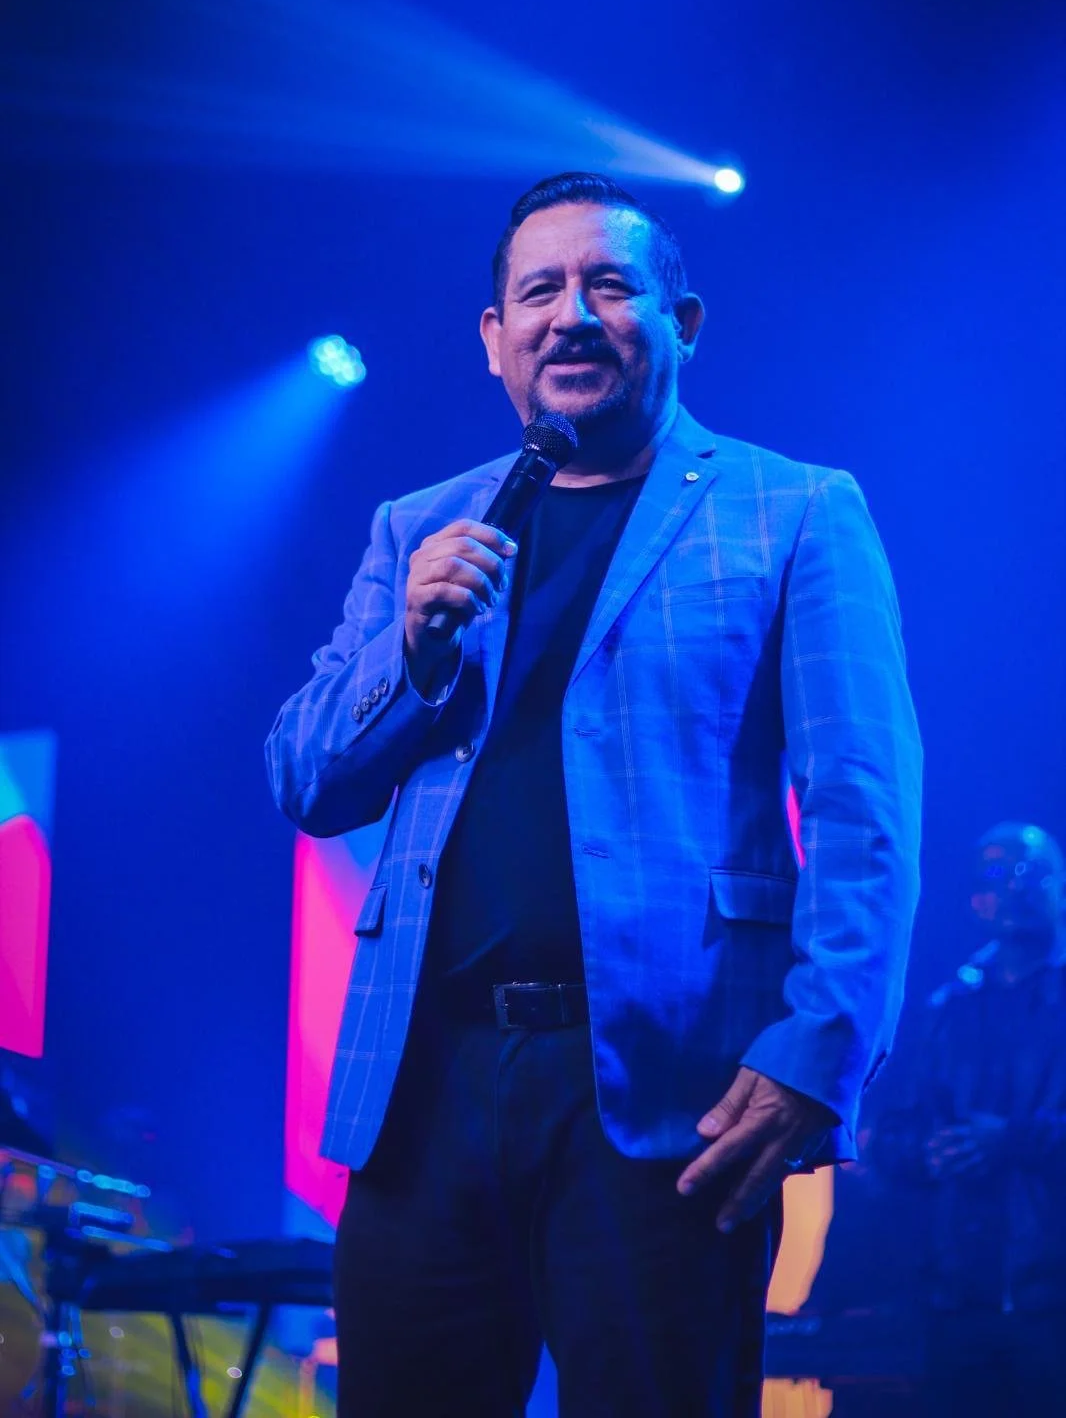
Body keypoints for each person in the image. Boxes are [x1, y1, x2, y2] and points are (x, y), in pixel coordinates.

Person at [266, 172, 922, 1417]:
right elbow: (303, 777)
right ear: (494, 339)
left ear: (678, 320)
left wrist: (817, 1052)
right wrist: (407, 653)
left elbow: (863, 809)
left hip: (666, 1090)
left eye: (608, 284)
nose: (571, 313)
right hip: (421, 1087)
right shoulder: (422, 524)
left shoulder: (793, 510)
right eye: (539, 290)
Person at [873, 821, 1066, 1416]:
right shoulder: (947, 1006)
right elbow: (891, 1132)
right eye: (995, 875)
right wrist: (926, 1152)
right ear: (973, 898)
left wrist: (1009, 1141)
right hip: (959, 1294)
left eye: (1031, 872)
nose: (1015, 887)